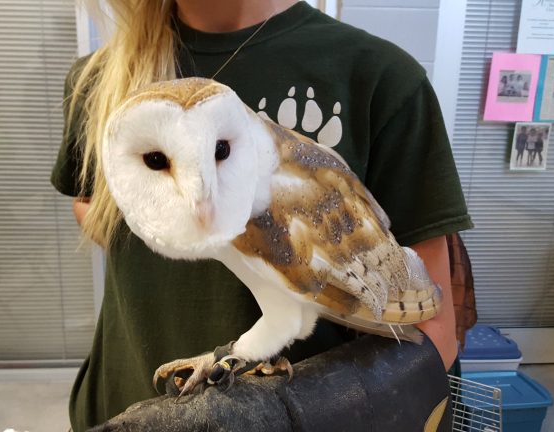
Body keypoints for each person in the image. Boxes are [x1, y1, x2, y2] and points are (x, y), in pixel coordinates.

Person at [51, 1, 473, 430]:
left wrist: (285, 413)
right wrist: (172, 227)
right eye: (157, 160)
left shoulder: (380, 76)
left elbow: (430, 327)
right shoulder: (95, 79)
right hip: (121, 399)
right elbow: (89, 204)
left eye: (220, 153)